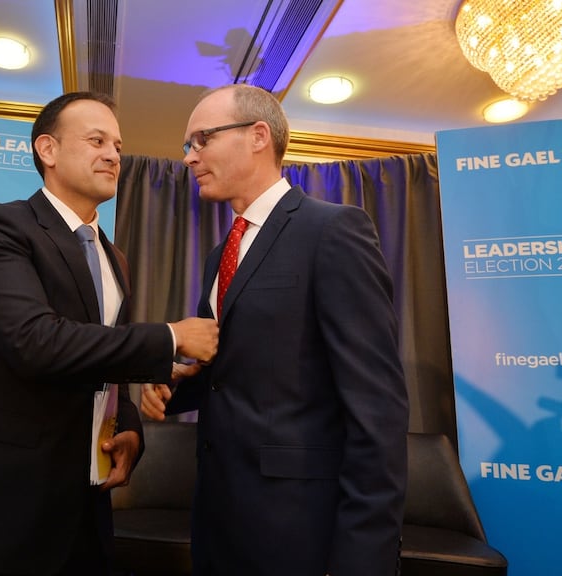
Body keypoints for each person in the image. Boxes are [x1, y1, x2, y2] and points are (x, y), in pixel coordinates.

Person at [0, 91, 219, 576]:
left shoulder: (113, 256)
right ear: (48, 150)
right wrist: (170, 337)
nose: (113, 155)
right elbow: (35, 342)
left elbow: (107, 363)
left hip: (83, 511)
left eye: (118, 146)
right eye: (97, 140)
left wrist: (129, 431)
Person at [141, 84, 409, 575]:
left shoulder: (334, 230)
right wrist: (176, 388)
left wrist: (363, 557)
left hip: (298, 527)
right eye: (187, 146)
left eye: (201, 140)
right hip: (219, 518)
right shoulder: (220, 253)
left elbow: (377, 408)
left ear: (258, 136)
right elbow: (234, 370)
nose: (188, 158)